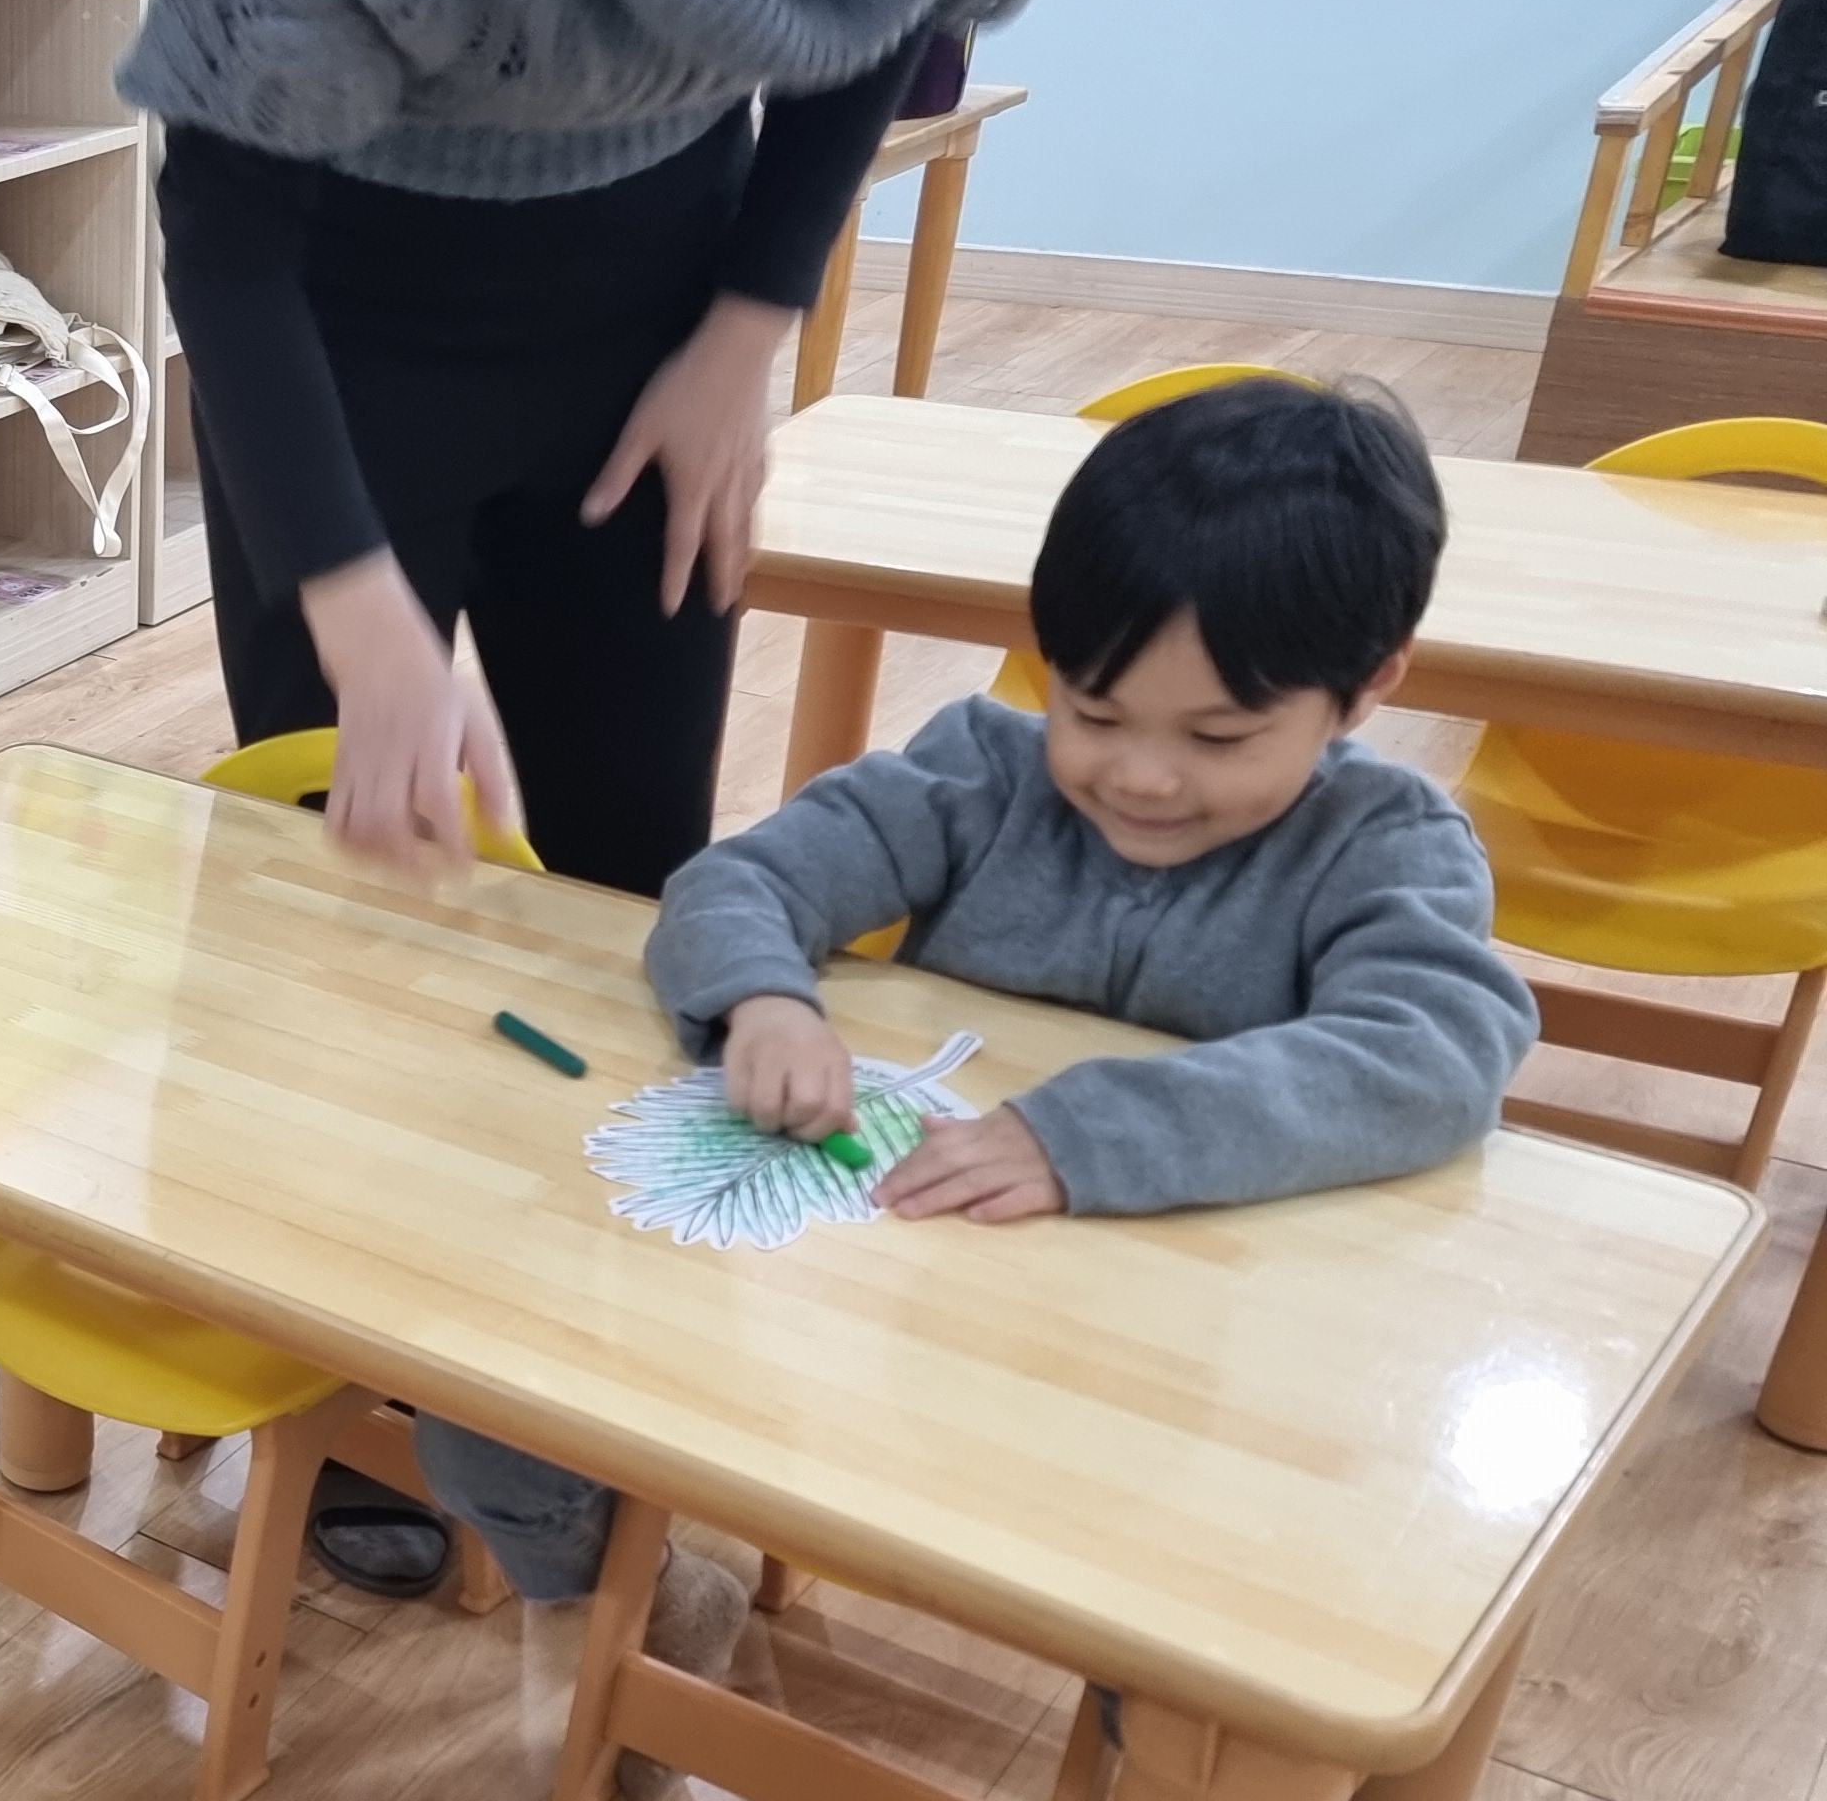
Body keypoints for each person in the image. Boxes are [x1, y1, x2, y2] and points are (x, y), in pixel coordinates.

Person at [120, 0, 1090, 1592]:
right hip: (335, 303)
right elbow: (224, 232)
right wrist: (358, 612)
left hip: (658, 287)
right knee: (347, 891)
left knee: (638, 860)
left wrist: (747, 327)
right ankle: (357, 1387)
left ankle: (593, 1351)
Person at [415, 378, 1541, 1707]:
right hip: (887, 1308)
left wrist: (1085, 1134)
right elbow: (739, 882)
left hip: (1167, 1379)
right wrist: (765, 1000)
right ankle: (631, 1596)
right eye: (1094, 711)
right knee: (484, 1400)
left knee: (1264, 1633)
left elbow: (1441, 1048)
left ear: (1367, 688)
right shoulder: (983, 771)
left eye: (1221, 737)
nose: (1142, 775)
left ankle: (1190, 1780)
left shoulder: (1385, 844)